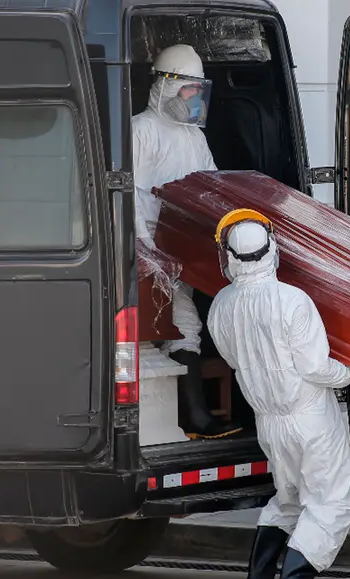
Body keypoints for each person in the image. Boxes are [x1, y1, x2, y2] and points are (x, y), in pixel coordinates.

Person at [207, 209, 350, 579]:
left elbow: (232, 360)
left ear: (228, 256)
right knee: (332, 503)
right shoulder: (293, 300)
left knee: (288, 502)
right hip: (309, 418)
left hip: (270, 423)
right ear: (272, 249)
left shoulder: (221, 305)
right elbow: (315, 368)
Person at [132, 43, 240, 439]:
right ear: (166, 86)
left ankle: (186, 420)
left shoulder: (194, 136)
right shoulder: (140, 130)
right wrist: (144, 246)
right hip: (149, 250)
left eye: (198, 90)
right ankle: (190, 419)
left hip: (184, 249)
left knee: (180, 326)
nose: (195, 98)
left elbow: (212, 184)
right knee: (176, 325)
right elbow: (125, 192)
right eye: (189, 89)